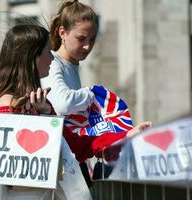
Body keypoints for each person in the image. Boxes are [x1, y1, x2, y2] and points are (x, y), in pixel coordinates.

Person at [0, 24, 93, 200]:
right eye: (48, 51)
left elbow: (73, 144)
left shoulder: (37, 102)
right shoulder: (8, 103)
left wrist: (121, 137)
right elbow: (8, 168)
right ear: (33, 57)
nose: (53, 59)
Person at [41, 0, 152, 185]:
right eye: (81, 38)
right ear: (62, 32)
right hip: (56, 162)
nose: (87, 46)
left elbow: (78, 122)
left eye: (92, 39)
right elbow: (62, 104)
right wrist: (91, 94)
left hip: (71, 156)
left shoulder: (72, 65)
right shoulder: (52, 62)